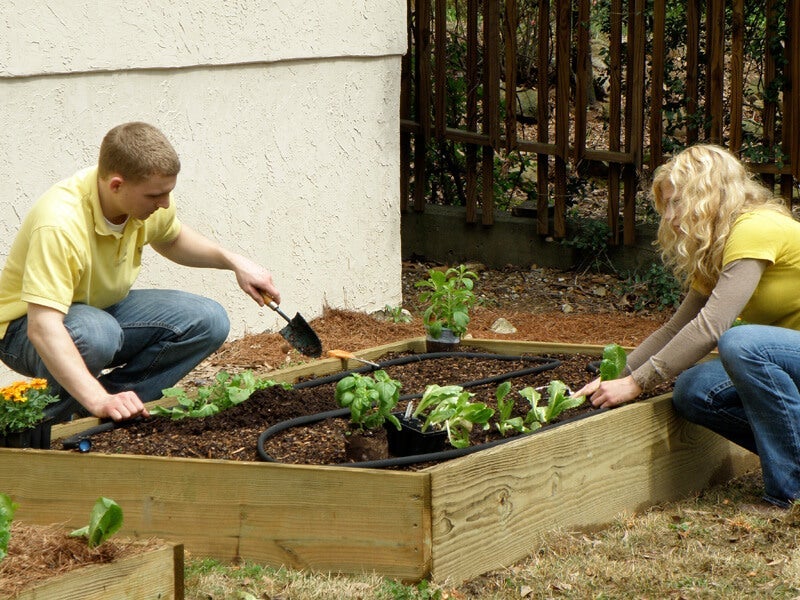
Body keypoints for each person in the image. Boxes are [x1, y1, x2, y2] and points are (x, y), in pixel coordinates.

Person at [0, 122, 282, 424]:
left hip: (99, 311)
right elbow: (43, 326)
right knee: (97, 333)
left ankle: (102, 410)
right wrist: (98, 398)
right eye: (155, 196)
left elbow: (171, 238)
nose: (164, 204)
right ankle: (38, 425)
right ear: (116, 185)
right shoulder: (59, 223)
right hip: (24, 328)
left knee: (207, 319)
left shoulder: (141, 203)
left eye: (168, 193)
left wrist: (234, 262)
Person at [574, 143, 800, 509]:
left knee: (740, 344)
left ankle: (787, 493)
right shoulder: (717, 246)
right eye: (666, 206)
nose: (671, 217)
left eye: (678, 202)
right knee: (693, 390)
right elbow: (677, 326)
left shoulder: (756, 228)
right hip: (790, 358)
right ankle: (793, 459)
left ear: (709, 195)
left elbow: (712, 326)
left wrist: (637, 384)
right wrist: (620, 372)